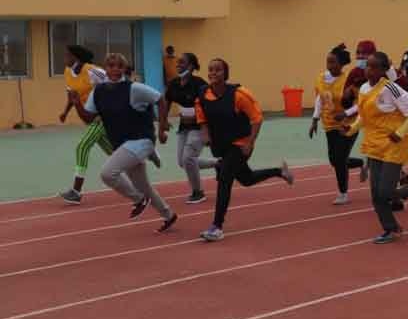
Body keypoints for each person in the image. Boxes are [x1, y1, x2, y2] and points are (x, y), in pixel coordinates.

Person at [69, 52, 178, 233]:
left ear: (124, 69)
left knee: (107, 174)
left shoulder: (133, 88)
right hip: (122, 144)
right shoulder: (98, 92)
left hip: (141, 139)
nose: (115, 69)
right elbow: (88, 118)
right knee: (143, 186)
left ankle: (138, 199)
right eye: (111, 66)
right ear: (105, 68)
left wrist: (162, 127)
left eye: (119, 66)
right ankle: (168, 215)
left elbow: (159, 99)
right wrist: (77, 104)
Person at [196, 58, 294, 242]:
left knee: (224, 179)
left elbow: (257, 118)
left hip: (241, 143)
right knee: (247, 179)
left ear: (226, 74)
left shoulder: (239, 94)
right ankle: (279, 172)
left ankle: (216, 227)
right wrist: (205, 133)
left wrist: (250, 142)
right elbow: (201, 115)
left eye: (218, 70)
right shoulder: (203, 94)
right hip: (222, 145)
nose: (213, 73)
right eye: (211, 69)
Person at [344, 51, 408, 243]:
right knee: (376, 195)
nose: (369, 70)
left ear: (383, 70)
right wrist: (351, 129)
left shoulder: (390, 88)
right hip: (375, 145)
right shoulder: (364, 88)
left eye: (374, 67)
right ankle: (392, 229)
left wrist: (400, 132)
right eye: (368, 65)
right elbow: (363, 116)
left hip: (394, 144)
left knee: (385, 192)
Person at [309, 44, 368, 205]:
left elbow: (360, 104)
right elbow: (319, 98)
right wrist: (314, 119)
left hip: (348, 124)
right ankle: (362, 163)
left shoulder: (349, 80)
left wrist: (346, 114)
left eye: (333, 62)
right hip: (329, 124)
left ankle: (343, 193)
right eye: (327, 61)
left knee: (340, 158)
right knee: (334, 160)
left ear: (341, 64)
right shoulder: (320, 78)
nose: (329, 65)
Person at [158, 52, 218, 204]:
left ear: (191, 66)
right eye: (178, 62)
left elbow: (211, 104)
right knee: (182, 162)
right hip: (184, 127)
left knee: (188, 158)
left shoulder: (200, 84)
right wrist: (162, 124)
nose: (178, 64)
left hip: (200, 126)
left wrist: (207, 129)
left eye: (182, 62)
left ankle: (198, 192)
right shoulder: (174, 84)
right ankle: (218, 164)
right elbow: (166, 102)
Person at [58, 44, 111, 204]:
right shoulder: (67, 72)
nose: (64, 58)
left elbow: (114, 83)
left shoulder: (92, 71)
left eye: (67, 55)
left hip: (103, 117)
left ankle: (76, 191)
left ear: (76, 57)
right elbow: (72, 95)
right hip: (88, 116)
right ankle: (137, 164)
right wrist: (65, 112)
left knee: (82, 146)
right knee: (114, 152)